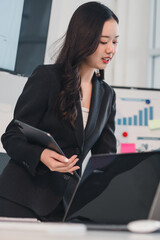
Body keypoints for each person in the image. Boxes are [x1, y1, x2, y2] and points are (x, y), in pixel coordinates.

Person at [0, 2, 119, 221]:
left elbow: (105, 159)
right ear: (84, 38)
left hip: (65, 206)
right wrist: (42, 155)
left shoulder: (107, 96)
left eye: (114, 42)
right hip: (21, 199)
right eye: (103, 42)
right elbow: (12, 136)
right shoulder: (47, 78)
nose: (111, 49)